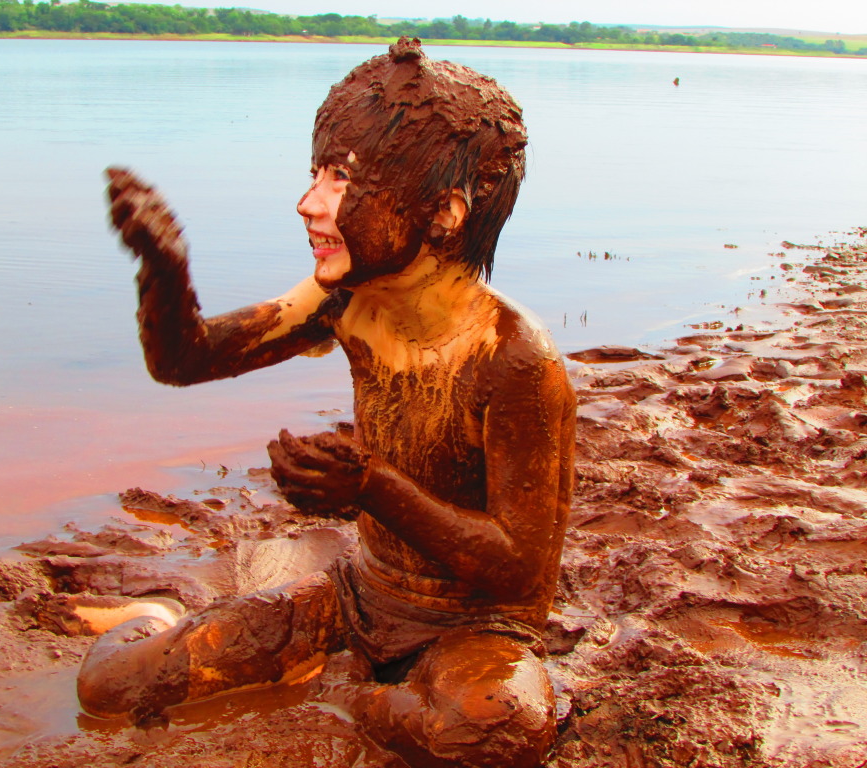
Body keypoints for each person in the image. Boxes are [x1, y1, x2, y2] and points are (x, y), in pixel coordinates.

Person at [79, 37, 576, 768]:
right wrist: (164, 269)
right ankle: (160, 618)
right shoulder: (344, 302)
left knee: (496, 727)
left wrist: (371, 486)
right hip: (359, 595)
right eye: (315, 173)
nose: (309, 202)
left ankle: (351, 695)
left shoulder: (515, 358)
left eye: (340, 179)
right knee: (110, 685)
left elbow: (518, 569)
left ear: (443, 213)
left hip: (477, 627)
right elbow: (185, 363)